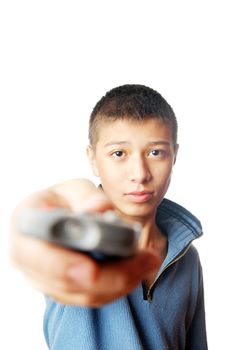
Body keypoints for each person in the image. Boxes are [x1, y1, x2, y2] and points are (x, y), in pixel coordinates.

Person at [10, 84, 208, 349]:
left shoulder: (187, 258)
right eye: (118, 154)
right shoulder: (81, 240)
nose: (139, 173)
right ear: (93, 159)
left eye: (155, 153)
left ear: (174, 157)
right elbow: (59, 205)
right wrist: (36, 220)